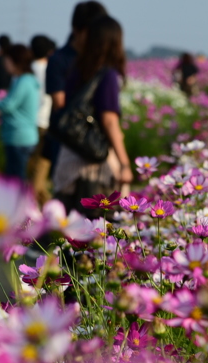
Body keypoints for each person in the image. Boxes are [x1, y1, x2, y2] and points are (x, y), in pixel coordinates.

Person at [53, 15, 131, 216]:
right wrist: (124, 163)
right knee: (96, 230)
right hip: (94, 161)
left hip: (70, 155)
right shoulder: (107, 74)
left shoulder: (77, 68)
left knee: (69, 227)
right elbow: (109, 121)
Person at [44, 2, 109, 184]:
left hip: (93, 139)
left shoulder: (98, 60)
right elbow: (59, 102)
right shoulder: (60, 59)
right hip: (67, 138)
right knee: (68, 193)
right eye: (92, 32)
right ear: (76, 29)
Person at [0, 44, 40, 181]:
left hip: (19, 136)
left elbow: (9, 106)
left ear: (15, 61)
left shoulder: (24, 81)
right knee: (17, 176)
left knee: (16, 179)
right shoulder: (27, 80)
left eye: (7, 60)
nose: (5, 63)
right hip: (21, 135)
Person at [28, 34, 56, 203]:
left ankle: (41, 202)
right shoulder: (50, 67)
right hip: (45, 120)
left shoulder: (28, 68)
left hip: (29, 121)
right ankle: (45, 203)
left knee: (32, 165)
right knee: (42, 165)